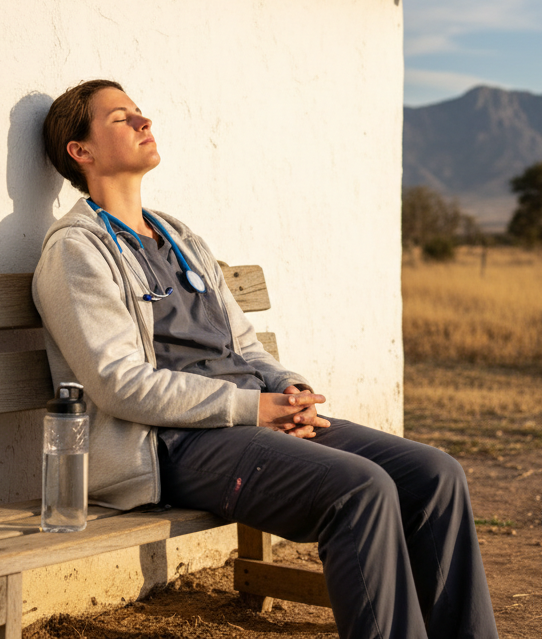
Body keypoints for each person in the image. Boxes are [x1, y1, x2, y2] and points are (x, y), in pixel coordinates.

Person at [32, 80, 498, 639]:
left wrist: (290, 390)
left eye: (140, 112)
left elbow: (244, 345)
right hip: (170, 444)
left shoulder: (180, 237)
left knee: (435, 474)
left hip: (250, 418)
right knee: (360, 490)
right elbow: (119, 385)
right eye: (119, 118)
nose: (143, 121)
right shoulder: (76, 251)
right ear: (80, 152)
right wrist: (254, 407)